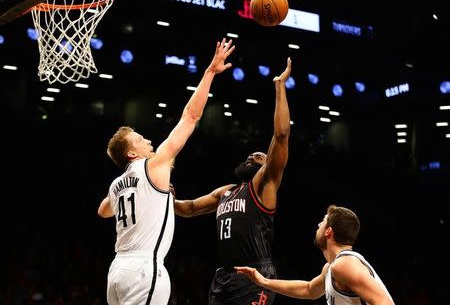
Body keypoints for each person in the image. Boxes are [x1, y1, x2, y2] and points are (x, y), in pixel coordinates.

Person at [97, 38, 235, 305]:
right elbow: (190, 117)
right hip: (143, 269)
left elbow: (103, 211)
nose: (147, 140)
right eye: (139, 139)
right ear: (132, 153)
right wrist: (210, 72)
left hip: (117, 272)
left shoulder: (115, 185)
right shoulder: (154, 165)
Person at [174, 57, 292, 305]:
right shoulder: (226, 192)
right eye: (251, 154)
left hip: (255, 275)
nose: (253, 155)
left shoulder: (263, 186)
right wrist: (166, 198)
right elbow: (191, 208)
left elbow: (281, 135)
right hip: (224, 276)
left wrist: (279, 86)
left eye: (260, 156)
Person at [235, 205, 395, 305]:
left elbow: (384, 303)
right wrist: (264, 282)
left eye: (323, 221)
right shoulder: (332, 267)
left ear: (328, 231)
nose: (318, 224)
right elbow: (309, 289)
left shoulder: (345, 264)